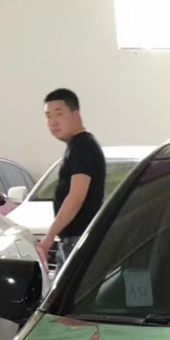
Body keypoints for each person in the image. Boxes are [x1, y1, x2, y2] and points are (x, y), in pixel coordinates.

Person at [36, 87, 106, 266]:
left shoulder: (83, 146)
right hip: (73, 241)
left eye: (59, 114)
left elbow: (76, 196)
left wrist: (48, 238)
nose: (53, 122)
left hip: (77, 241)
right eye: (48, 116)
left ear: (76, 114)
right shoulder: (77, 146)